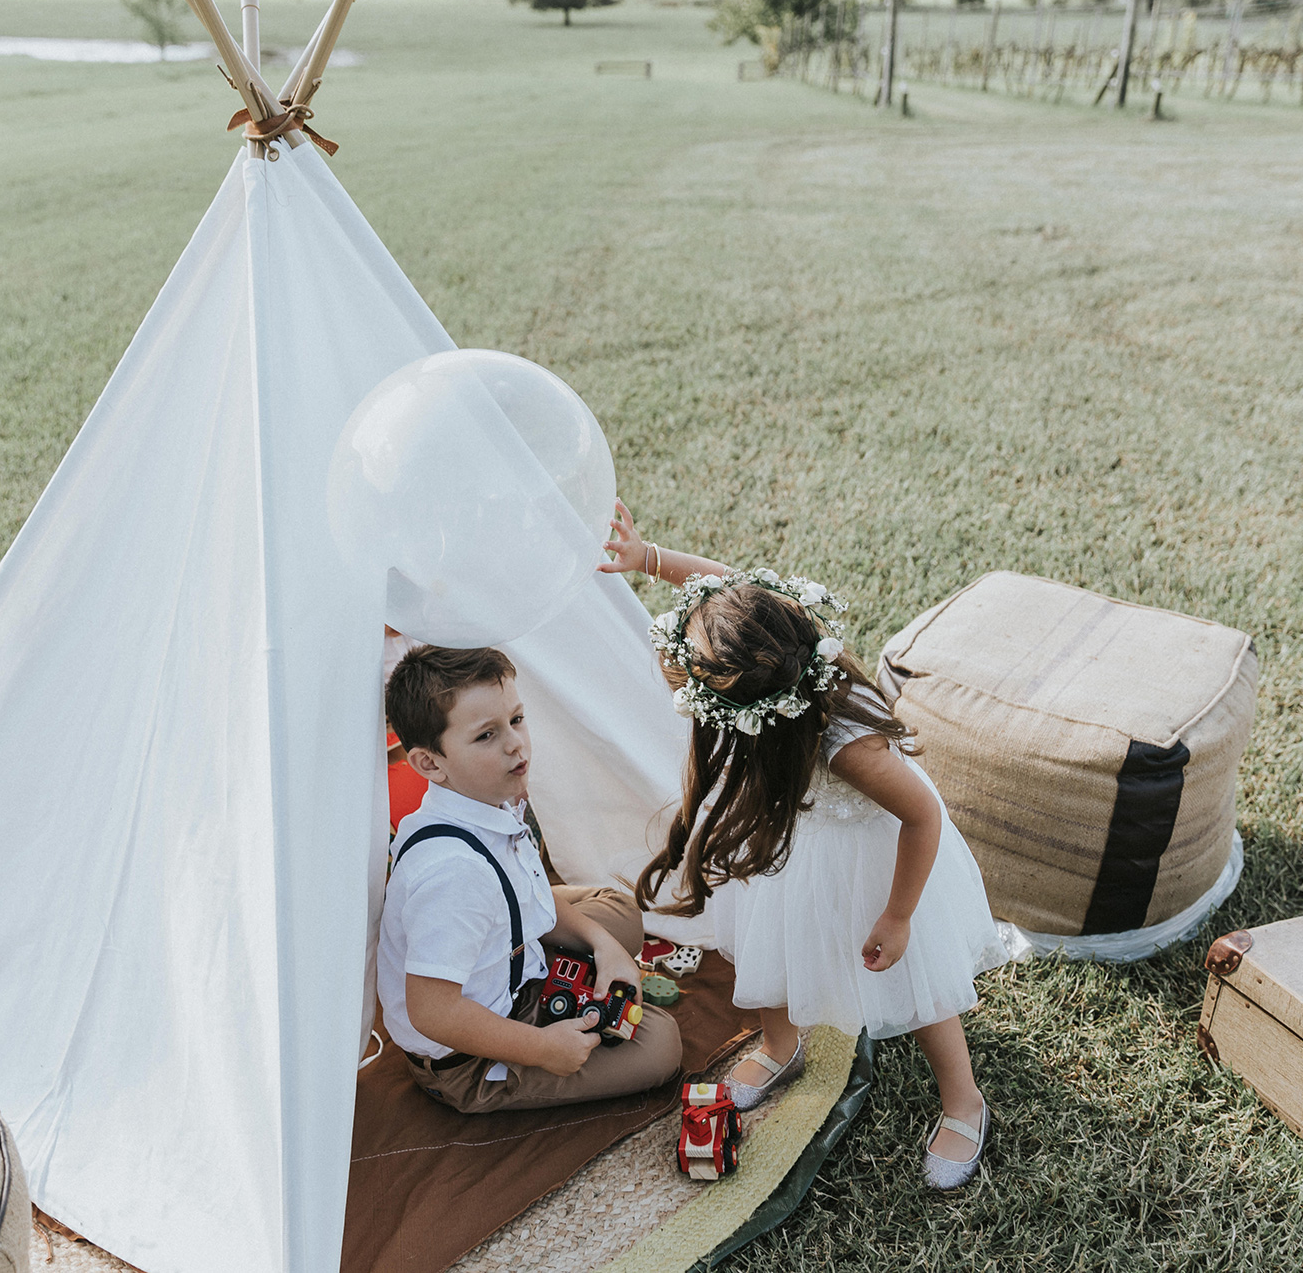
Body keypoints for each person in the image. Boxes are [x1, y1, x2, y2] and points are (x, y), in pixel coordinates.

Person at [602, 503, 1007, 1190]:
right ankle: (779, 1045)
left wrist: (900, 914)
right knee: (771, 934)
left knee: (916, 980)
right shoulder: (778, 641)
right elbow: (729, 585)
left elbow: (920, 820)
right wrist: (652, 559)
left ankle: (963, 1098)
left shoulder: (848, 748)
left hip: (882, 855)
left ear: (754, 720)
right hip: (799, 833)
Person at [378, 644, 684, 1112]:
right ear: (430, 764)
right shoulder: (451, 875)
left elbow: (529, 893)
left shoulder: (492, 796)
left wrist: (606, 947)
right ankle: (515, 1054)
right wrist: (543, 1049)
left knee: (619, 913)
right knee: (660, 1046)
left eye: (516, 720)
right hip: (471, 1054)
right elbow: (433, 1011)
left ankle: (583, 956)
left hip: (510, 959)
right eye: (486, 736)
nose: (515, 743)